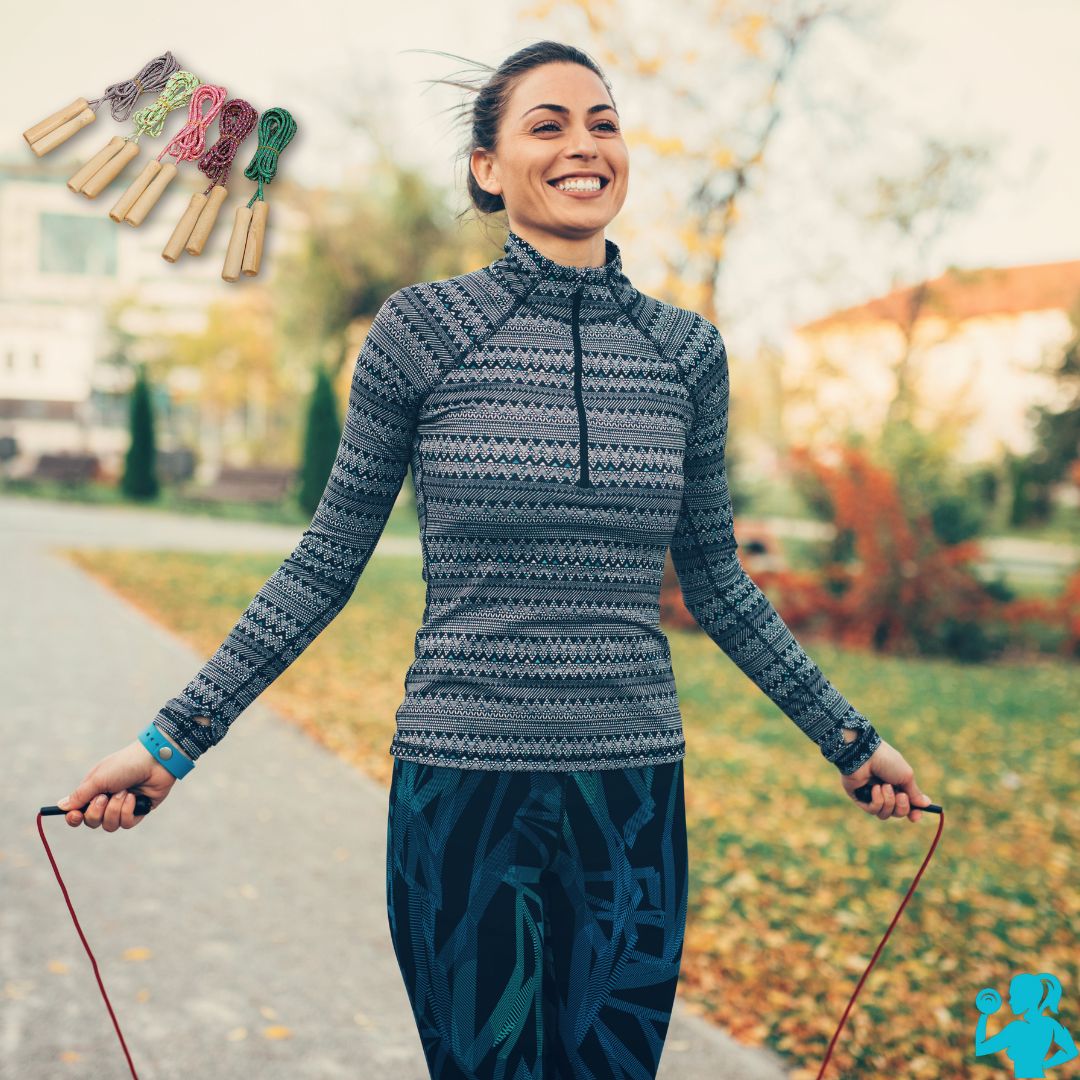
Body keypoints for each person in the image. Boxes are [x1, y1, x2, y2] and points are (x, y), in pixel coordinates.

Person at [58, 39, 933, 1080]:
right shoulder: (422, 332)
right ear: (487, 167)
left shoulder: (686, 353)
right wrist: (171, 742)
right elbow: (325, 563)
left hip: (631, 795)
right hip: (464, 787)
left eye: (603, 122)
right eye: (548, 123)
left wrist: (847, 736)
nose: (584, 145)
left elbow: (719, 583)